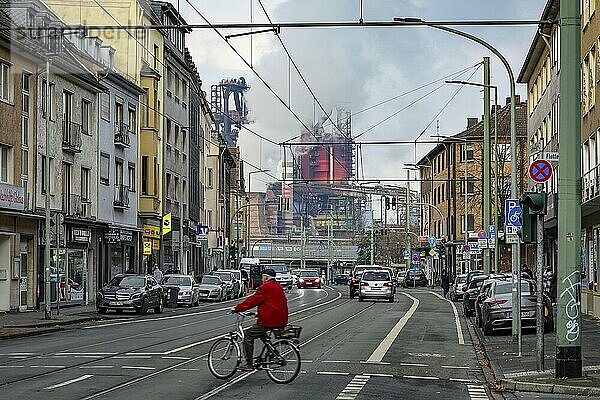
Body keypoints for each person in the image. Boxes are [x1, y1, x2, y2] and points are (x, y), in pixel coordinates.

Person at [231, 268, 288, 371]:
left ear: (266, 277)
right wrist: (259, 313)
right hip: (281, 319)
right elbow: (274, 303)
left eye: (262, 277)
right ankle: (272, 353)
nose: (262, 279)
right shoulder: (278, 287)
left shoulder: (265, 287)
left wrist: (237, 308)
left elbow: (252, 300)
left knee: (248, 335)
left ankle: (249, 364)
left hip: (269, 320)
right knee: (261, 333)